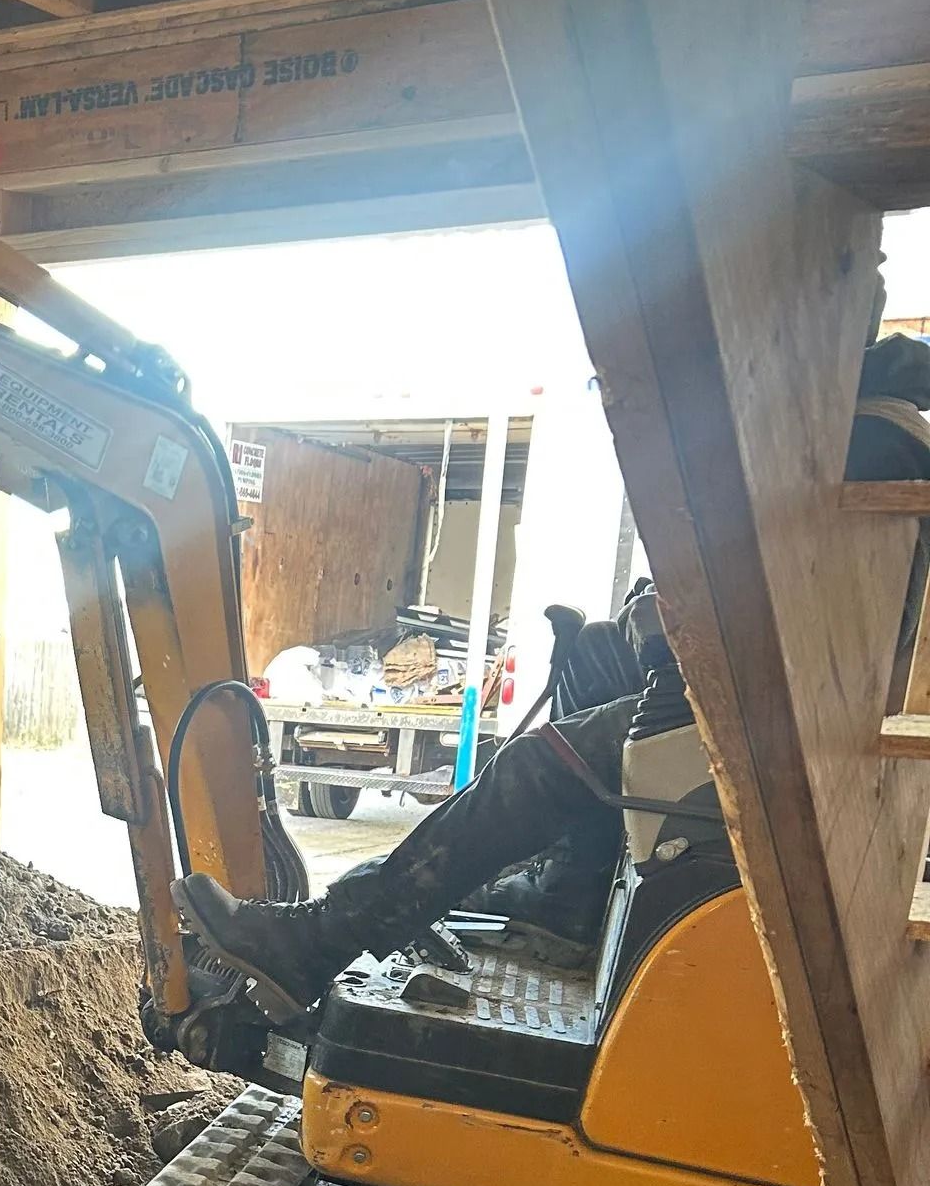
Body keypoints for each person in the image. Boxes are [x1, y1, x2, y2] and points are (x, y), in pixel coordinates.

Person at [179, 329, 930, 1020]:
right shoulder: (867, 423)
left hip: (781, 725)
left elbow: (768, 618)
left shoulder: (862, 435)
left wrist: (664, 618)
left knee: (533, 767)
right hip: (793, 707)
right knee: (598, 646)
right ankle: (567, 901)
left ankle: (318, 941)